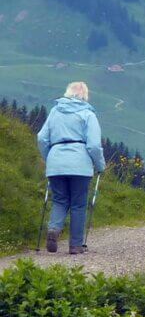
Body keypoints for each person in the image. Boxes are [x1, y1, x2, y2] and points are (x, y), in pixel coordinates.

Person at [36, 81, 106, 254]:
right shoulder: (88, 114)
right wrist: (100, 166)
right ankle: (75, 246)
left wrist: (49, 158)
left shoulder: (55, 112)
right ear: (85, 96)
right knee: (78, 204)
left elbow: (42, 138)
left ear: (67, 93)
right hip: (80, 165)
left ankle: (54, 229)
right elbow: (94, 146)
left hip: (56, 162)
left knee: (59, 200)